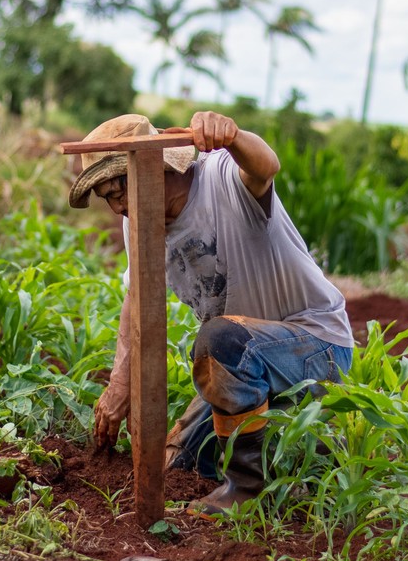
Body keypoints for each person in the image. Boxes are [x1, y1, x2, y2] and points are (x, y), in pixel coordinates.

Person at [71, 111, 354, 514]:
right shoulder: (141, 217)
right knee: (176, 461)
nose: (118, 208)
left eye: (120, 191)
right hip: (242, 359)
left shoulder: (221, 177)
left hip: (314, 347)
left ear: (159, 167)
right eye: (108, 198)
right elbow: (138, 299)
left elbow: (265, 167)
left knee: (219, 339)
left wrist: (234, 136)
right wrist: (120, 384)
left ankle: (247, 492)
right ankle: (287, 444)